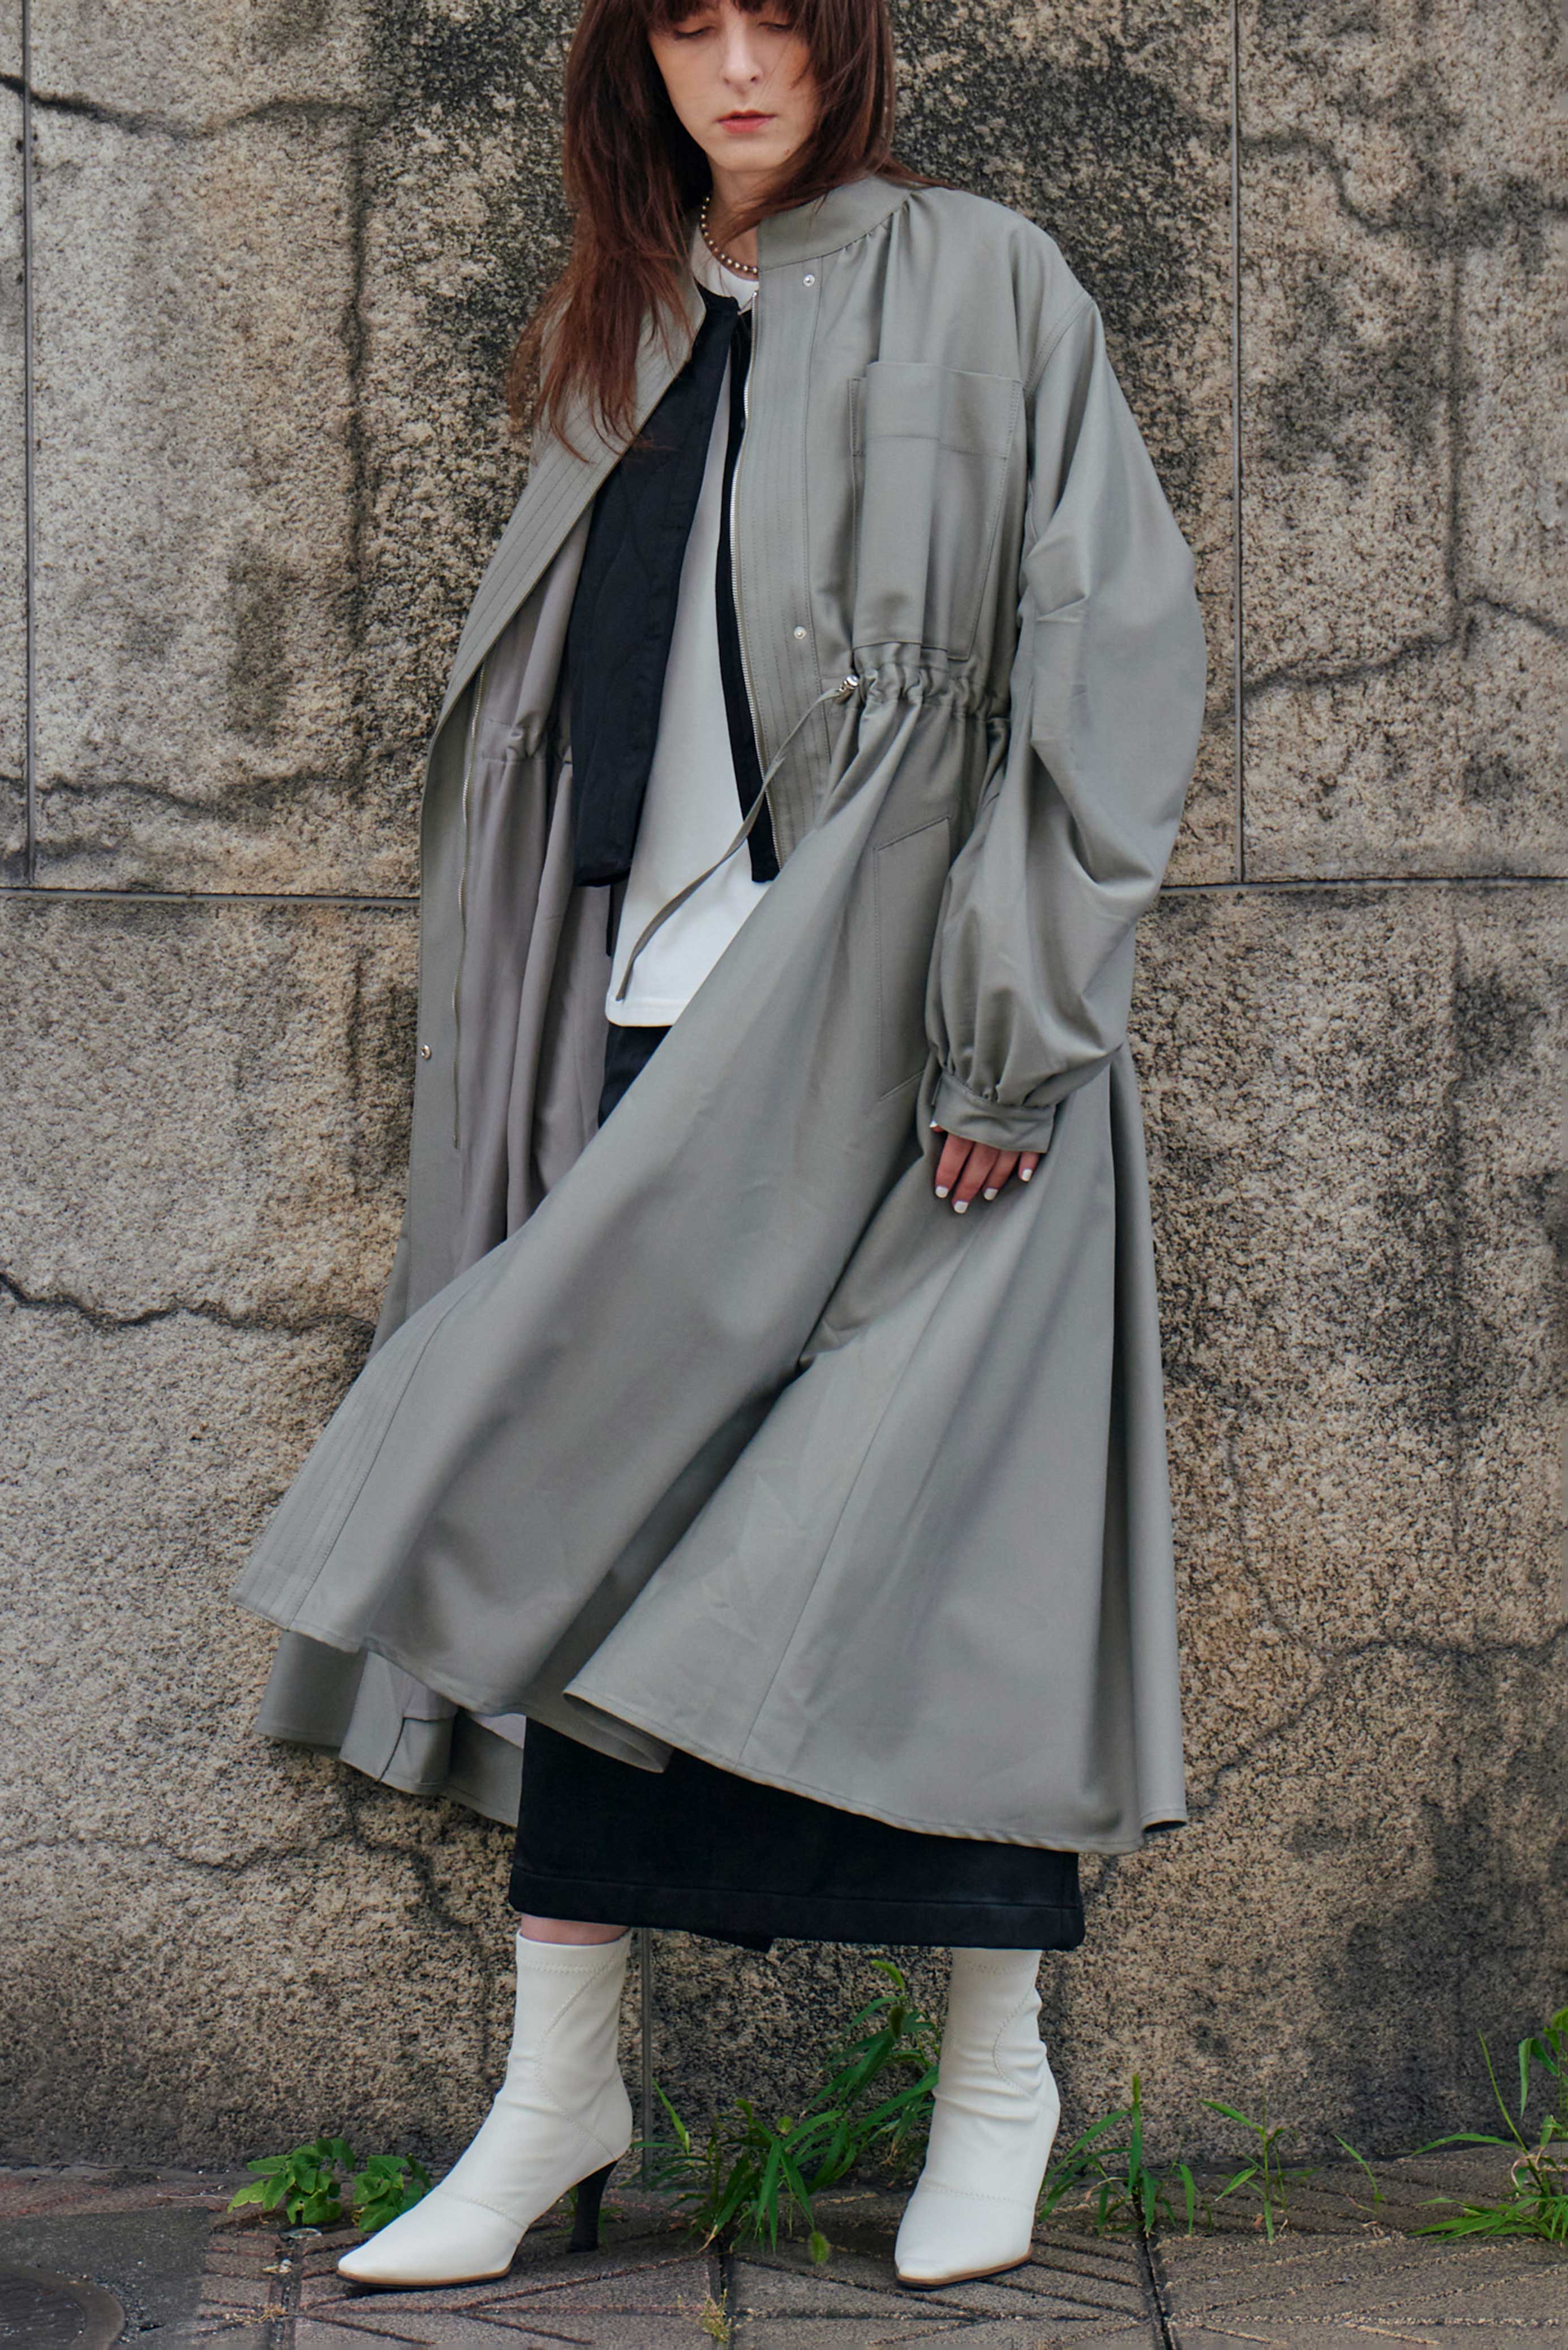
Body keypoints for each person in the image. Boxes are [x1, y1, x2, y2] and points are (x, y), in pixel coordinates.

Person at [233, 0, 1207, 2298]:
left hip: (925, 1037)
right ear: (637, 57)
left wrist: (1009, 1040)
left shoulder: (989, 276)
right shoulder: (623, 315)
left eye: (782, 15)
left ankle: (998, 2087)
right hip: (647, 1037)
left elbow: (1106, 668)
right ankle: (556, 2093)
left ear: (848, 40)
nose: (743, 62)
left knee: (950, 1553)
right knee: (573, 1536)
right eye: (693, 20)